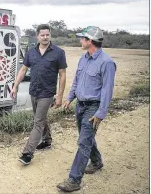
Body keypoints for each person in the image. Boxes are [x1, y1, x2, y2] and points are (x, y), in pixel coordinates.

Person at [57, 26, 116, 192]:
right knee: (87, 138)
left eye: (82, 38)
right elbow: (77, 80)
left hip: (94, 107)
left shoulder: (107, 62)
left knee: (83, 141)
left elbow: (107, 90)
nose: (80, 41)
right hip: (80, 105)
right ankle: (97, 162)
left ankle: (74, 180)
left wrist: (101, 112)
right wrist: (70, 98)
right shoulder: (83, 59)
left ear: (90, 41)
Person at [11, 24, 67, 165]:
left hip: (47, 93)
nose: (45, 37)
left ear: (50, 35)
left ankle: (27, 153)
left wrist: (59, 96)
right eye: (42, 35)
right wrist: (15, 87)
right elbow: (23, 70)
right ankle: (47, 141)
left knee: (38, 122)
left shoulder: (58, 53)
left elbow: (62, 75)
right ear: (37, 36)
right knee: (40, 118)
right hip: (34, 91)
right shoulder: (31, 52)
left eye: (47, 34)